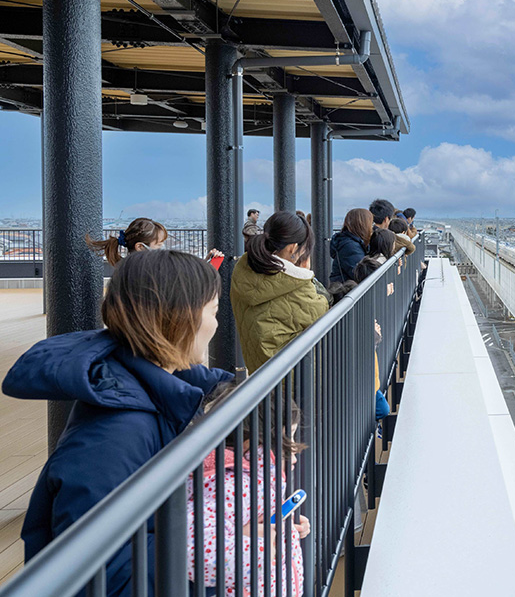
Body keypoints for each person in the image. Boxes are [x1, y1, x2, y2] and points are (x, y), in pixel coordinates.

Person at [3, 250, 231, 595]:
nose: (216, 323)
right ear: (181, 317)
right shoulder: (116, 434)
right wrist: (229, 550)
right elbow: (99, 574)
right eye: (213, 311)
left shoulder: (140, 383)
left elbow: (200, 379)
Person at [188, 382, 310, 597]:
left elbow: (253, 526)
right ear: (250, 445)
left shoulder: (256, 479)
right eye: (286, 438)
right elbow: (196, 550)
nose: (293, 450)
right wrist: (265, 551)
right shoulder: (229, 485)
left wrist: (286, 529)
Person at [231, 211, 329, 373]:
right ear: (293, 248)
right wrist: (305, 275)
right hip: (294, 379)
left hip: (259, 371)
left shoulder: (244, 270)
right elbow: (325, 310)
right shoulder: (296, 285)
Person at [86, 217, 168, 265]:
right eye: (159, 244)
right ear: (140, 247)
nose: (163, 247)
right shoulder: (144, 273)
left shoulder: (127, 268)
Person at [329, 208, 373, 286]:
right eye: (370, 224)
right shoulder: (350, 246)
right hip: (346, 291)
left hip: (345, 288)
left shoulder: (350, 242)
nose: (371, 228)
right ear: (362, 225)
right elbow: (360, 274)